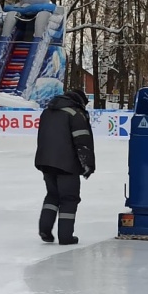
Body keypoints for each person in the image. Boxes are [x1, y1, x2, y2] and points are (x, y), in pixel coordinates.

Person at [34, 88, 95, 245]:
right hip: (67, 164)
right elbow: (83, 142)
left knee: (52, 195)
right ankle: (66, 236)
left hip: (46, 162)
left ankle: (45, 229)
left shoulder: (48, 112)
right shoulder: (75, 114)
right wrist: (88, 164)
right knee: (69, 198)